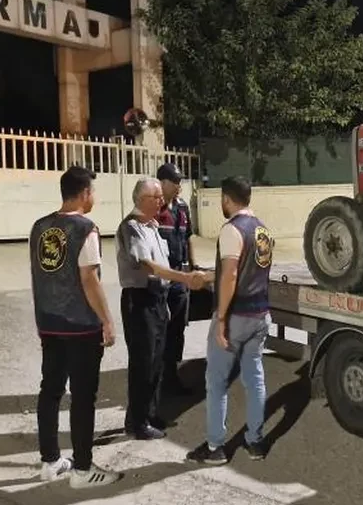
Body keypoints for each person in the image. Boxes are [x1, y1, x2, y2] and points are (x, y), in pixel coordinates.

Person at [29, 165, 122, 488]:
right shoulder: (86, 228)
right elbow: (89, 279)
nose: (93, 197)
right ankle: (83, 469)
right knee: (83, 397)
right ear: (84, 193)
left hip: (49, 323)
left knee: (50, 390)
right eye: (93, 191)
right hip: (80, 326)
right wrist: (107, 321)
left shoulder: (40, 227)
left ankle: (50, 460)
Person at [186, 176, 274, 465]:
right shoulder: (262, 229)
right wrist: (210, 275)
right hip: (260, 315)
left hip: (235, 317)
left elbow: (232, 275)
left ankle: (215, 448)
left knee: (217, 383)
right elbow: (245, 271)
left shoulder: (231, 230)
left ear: (226, 199)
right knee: (255, 379)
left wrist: (221, 319)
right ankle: (255, 442)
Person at [115, 177, 203, 440]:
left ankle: (150, 413)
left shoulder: (151, 226)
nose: (161, 201)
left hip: (156, 299)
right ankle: (136, 422)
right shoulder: (132, 227)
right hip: (140, 299)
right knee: (142, 364)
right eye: (156, 197)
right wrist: (184, 278)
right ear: (143, 199)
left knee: (155, 361)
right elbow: (149, 266)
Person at [155, 162, 198, 394]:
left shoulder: (181, 208)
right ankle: (158, 379)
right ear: (162, 183)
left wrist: (193, 267)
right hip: (162, 280)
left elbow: (188, 237)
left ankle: (172, 376)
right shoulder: (154, 209)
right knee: (160, 329)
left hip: (180, 280)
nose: (180, 186)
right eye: (176, 181)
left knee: (177, 330)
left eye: (181, 181)